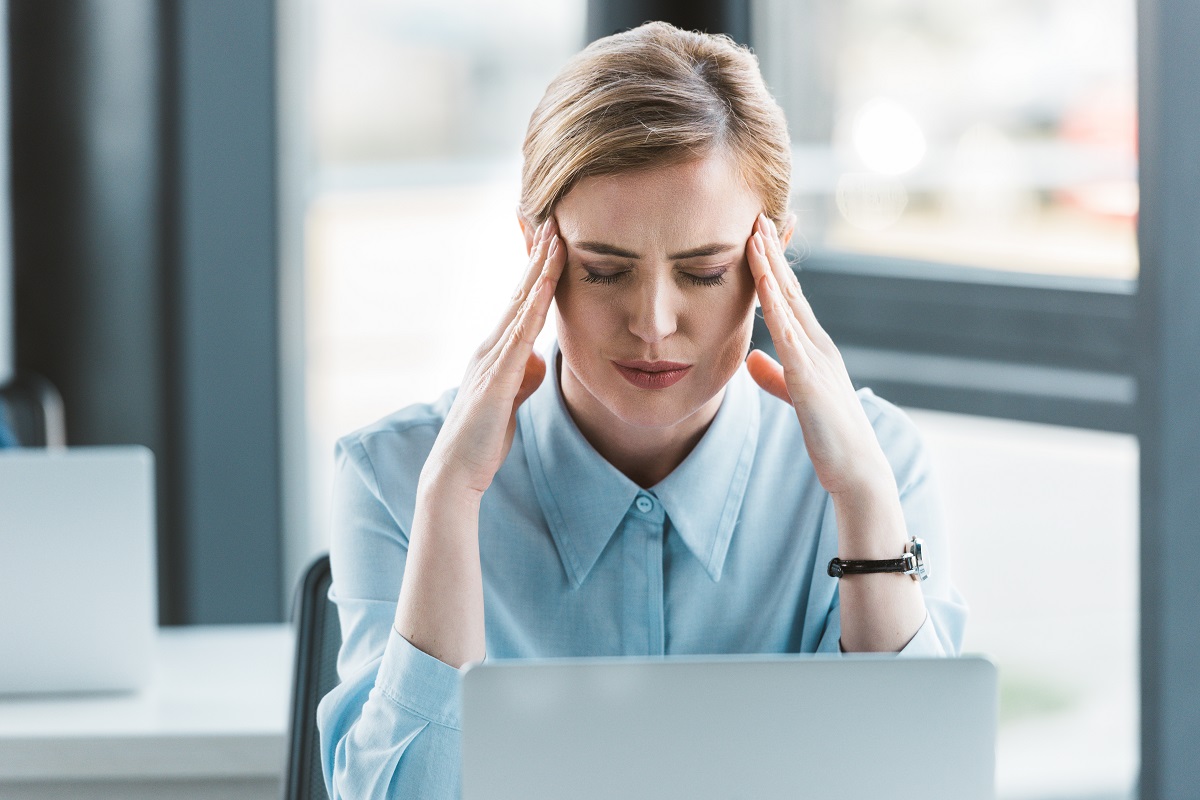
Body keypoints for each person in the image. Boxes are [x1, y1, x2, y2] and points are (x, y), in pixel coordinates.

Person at [318, 21, 966, 799]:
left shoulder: (879, 462)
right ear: (538, 254)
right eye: (601, 271)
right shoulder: (393, 473)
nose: (653, 323)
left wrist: (862, 496)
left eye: (704, 271)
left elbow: (919, 786)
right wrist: (450, 499)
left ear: (772, 261)